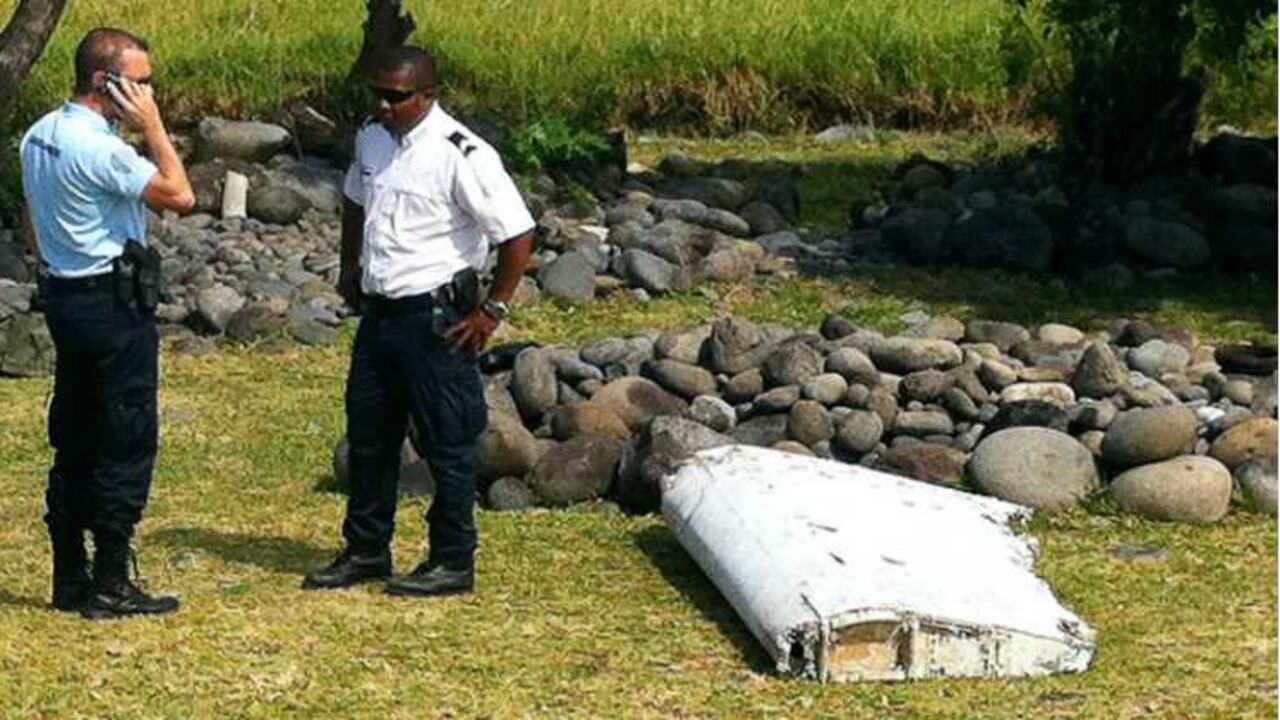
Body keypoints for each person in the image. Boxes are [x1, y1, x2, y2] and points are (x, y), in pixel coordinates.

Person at [302, 46, 535, 598]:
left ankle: (452, 558)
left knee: (448, 442)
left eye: (396, 96)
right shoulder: (371, 137)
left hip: (436, 318)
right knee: (369, 437)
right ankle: (366, 549)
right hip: (381, 315)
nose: (383, 104)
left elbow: (517, 234)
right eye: (376, 93)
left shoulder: (463, 153)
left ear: (428, 95)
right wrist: (349, 266)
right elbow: (356, 200)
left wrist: (492, 310)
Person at [19, 27, 195, 619]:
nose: (148, 94)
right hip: (113, 307)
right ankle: (112, 579)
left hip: (66, 298)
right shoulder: (102, 148)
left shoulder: (40, 135)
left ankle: (69, 573)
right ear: (106, 82)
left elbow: (34, 220)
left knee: (73, 433)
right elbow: (179, 194)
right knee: (124, 437)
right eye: (140, 84)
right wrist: (152, 128)